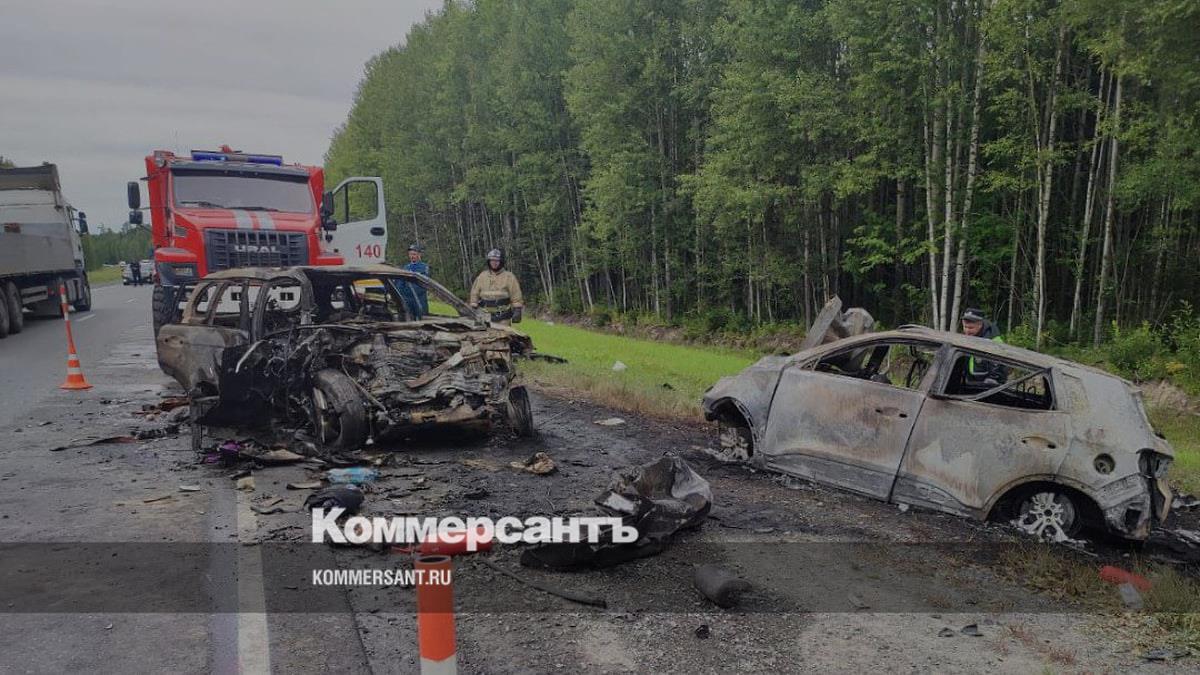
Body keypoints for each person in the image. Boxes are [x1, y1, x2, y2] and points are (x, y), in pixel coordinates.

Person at [469, 248, 523, 325]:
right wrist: (473, 306)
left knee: (504, 333)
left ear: (501, 262)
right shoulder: (482, 276)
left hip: (503, 318)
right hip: (484, 317)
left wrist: (517, 310)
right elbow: (474, 293)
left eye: (497, 261)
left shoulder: (509, 277)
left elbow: (516, 295)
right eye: (492, 260)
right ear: (489, 261)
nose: (494, 263)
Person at [960, 308, 1006, 386]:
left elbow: (998, 363)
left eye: (970, 328)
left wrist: (993, 379)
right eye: (965, 327)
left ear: (980, 325)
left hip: (988, 382)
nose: (967, 331)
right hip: (970, 380)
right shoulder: (966, 336)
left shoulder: (993, 339)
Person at [396, 243, 429, 318]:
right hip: (408, 300)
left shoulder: (424, 267)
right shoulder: (406, 267)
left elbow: (424, 283)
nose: (412, 256)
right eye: (410, 254)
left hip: (420, 299)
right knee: (408, 319)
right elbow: (400, 284)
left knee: (423, 320)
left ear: (419, 255)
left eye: (414, 254)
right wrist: (402, 295)